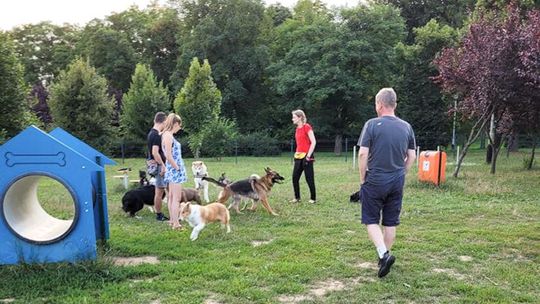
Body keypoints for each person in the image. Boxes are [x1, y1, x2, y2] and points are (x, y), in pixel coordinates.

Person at [357, 88, 416, 278]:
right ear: (395, 104)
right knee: (390, 222)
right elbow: (412, 155)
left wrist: (362, 178)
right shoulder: (406, 127)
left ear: (379, 104)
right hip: (397, 180)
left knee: (371, 220)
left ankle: (383, 254)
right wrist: (402, 172)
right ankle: (384, 258)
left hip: (375, 180)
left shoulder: (372, 124)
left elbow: (363, 153)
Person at [161, 113, 187, 230]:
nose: (180, 128)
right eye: (179, 125)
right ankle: (176, 224)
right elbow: (168, 155)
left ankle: (172, 220)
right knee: (175, 198)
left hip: (172, 169)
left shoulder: (167, 135)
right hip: (174, 170)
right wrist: (177, 168)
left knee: (171, 197)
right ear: (175, 124)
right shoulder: (168, 136)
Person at [290, 109, 317, 204]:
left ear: (300, 117)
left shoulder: (307, 127)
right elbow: (299, 144)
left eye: (294, 117)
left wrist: (308, 156)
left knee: (309, 178)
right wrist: (295, 156)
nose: (292, 119)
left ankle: (313, 198)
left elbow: (313, 142)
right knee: (294, 177)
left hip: (307, 156)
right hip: (298, 156)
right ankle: (297, 198)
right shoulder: (297, 129)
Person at [147, 112, 169, 221]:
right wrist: (163, 165)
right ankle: (159, 215)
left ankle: (160, 213)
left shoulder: (151, 133)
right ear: (163, 121)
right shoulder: (155, 135)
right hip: (160, 167)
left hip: (156, 165)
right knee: (159, 192)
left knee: (159, 191)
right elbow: (155, 152)